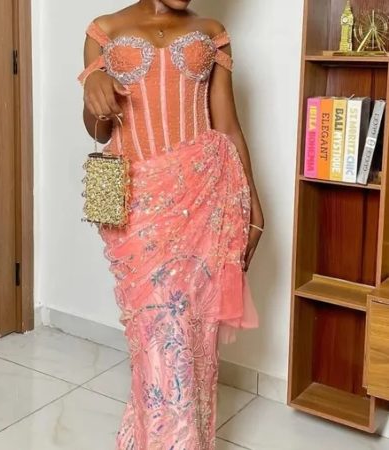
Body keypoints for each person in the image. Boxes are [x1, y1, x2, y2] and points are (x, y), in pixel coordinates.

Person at [78, 0, 264, 448]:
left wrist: (254, 205)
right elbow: (98, 131)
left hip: (203, 200)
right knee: (156, 335)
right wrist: (93, 92)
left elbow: (228, 128)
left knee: (192, 335)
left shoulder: (212, 31)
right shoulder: (102, 31)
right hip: (137, 201)